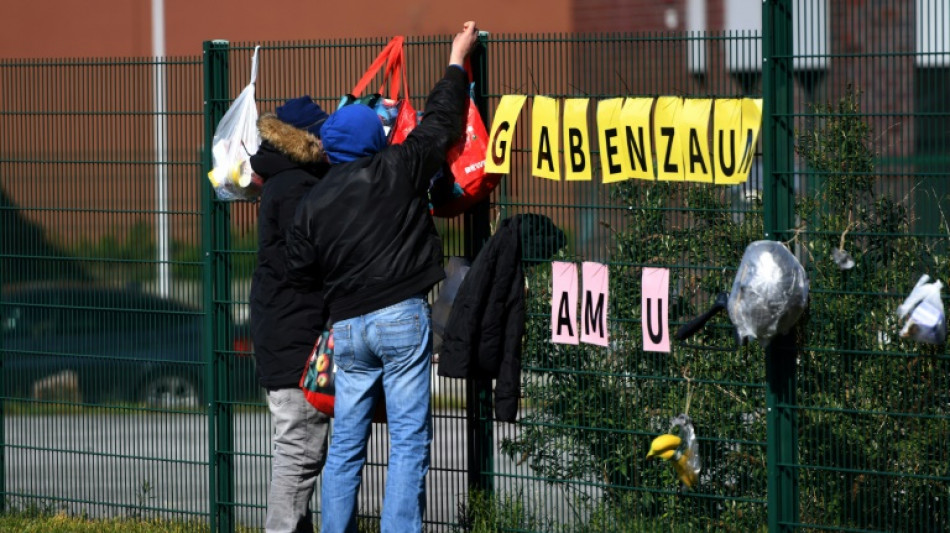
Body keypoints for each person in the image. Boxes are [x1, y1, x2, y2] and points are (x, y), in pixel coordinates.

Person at [285, 21, 481, 533]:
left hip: (346, 330)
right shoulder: (397, 166)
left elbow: (300, 269)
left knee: (347, 444)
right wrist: (457, 59)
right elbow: (440, 123)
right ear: (375, 140)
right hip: (400, 316)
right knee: (409, 441)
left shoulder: (312, 203)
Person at [248, 95, 332, 533]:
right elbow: (310, 260)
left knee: (297, 446)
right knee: (299, 450)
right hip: (293, 335)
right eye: (322, 133)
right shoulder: (299, 188)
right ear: (305, 139)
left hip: (280, 329)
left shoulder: (282, 182)